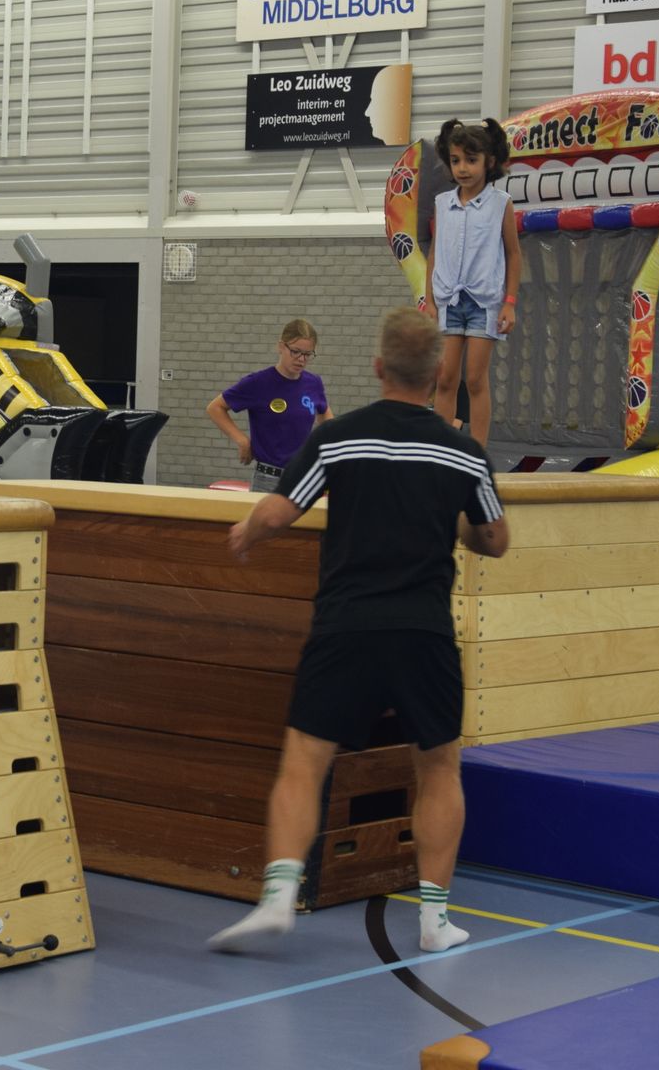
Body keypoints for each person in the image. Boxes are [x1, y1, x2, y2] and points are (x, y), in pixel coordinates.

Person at [208, 307, 509, 956]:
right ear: (438, 373)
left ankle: (279, 897)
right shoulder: (463, 452)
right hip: (424, 631)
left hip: (346, 626)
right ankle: (434, 921)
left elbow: (280, 511)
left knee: (304, 761)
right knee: (439, 767)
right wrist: (456, 522)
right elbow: (495, 538)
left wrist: (248, 532)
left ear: (378, 368)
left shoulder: (340, 438)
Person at [422, 118, 519, 447]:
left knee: (475, 379)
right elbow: (435, 253)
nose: (462, 168)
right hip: (449, 301)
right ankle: (442, 449)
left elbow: (513, 254)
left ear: (489, 162)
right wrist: (429, 301)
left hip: (483, 302)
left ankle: (477, 452)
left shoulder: (500, 203)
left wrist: (509, 303)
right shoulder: (443, 203)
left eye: (471, 160)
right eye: (455, 160)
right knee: (445, 378)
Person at [205, 320, 331, 492]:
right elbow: (215, 408)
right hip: (268, 479)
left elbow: (326, 417)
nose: (301, 359)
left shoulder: (313, 383)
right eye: (295, 352)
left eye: (307, 354)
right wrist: (242, 440)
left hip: (302, 478)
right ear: (281, 346)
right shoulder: (258, 383)